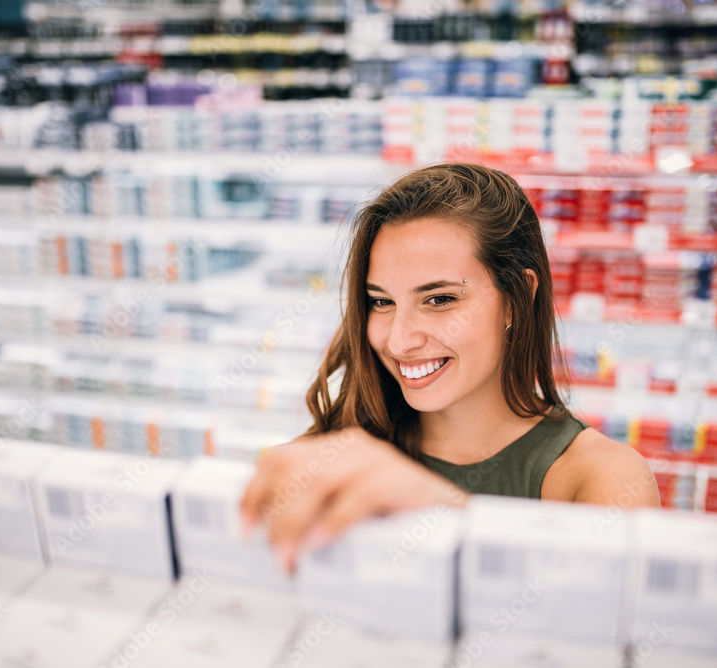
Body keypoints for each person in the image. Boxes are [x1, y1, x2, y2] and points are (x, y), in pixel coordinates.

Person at [240, 163, 659, 573]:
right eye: (381, 302)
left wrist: (440, 510)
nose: (400, 340)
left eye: (439, 299)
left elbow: (578, 632)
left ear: (517, 298)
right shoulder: (333, 456)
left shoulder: (600, 478)